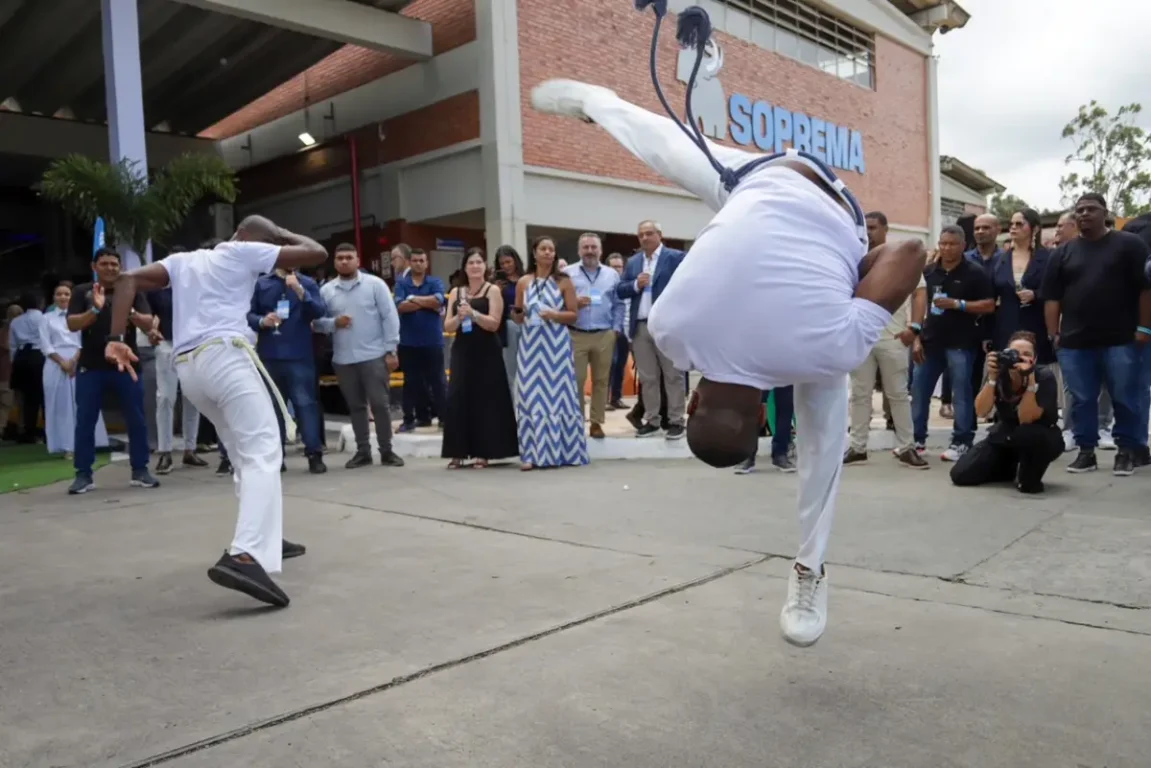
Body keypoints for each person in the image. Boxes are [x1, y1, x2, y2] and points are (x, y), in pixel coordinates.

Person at [530, 7, 924, 647]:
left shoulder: (827, 348)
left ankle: (811, 568)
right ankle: (601, 103)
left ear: (764, 417)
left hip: (814, 195)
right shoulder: (673, 333)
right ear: (695, 407)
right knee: (668, 143)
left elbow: (907, 252)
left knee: (823, 422)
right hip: (755, 177)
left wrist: (854, 276)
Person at [102, 217, 327, 608]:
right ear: (247, 238)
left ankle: (265, 537)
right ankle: (245, 554)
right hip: (226, 358)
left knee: (243, 456)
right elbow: (317, 253)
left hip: (190, 369)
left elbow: (126, 280)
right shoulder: (244, 251)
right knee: (262, 451)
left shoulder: (185, 261)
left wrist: (115, 339)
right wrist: (280, 233)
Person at [1042, 193, 1151, 476]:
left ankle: (1126, 450)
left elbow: (1145, 289)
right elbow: (1052, 297)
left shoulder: (1130, 245)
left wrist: (1143, 328)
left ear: (1106, 213)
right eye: (1079, 210)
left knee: (1125, 396)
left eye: (1091, 209)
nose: (1084, 214)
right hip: (1075, 341)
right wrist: (1053, 333)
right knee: (1081, 399)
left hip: (1122, 338)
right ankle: (1086, 452)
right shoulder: (1062, 253)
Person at [66, 249, 160, 494]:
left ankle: (140, 470)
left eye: (114, 264)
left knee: (136, 419)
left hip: (126, 365)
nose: (110, 268)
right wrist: (94, 310)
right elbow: (71, 324)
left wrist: (129, 311)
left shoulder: (130, 288)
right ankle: (83, 475)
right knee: (85, 421)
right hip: (91, 366)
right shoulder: (82, 291)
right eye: (105, 264)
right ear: (94, 266)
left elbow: (149, 322)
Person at [314, 243, 406, 469]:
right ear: (335, 262)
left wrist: (391, 349)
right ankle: (363, 451)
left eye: (349, 257)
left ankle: (387, 451)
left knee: (380, 405)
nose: (344, 261)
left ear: (358, 260)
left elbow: (390, 317)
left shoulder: (375, 285)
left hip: (374, 355)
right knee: (356, 407)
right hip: (343, 359)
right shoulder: (326, 291)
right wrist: (334, 323)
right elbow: (316, 323)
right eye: (340, 258)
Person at [910, 225, 996, 462]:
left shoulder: (975, 272)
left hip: (961, 343)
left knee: (961, 394)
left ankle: (962, 442)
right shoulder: (928, 272)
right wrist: (915, 338)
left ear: (963, 246)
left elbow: (989, 304)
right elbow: (915, 308)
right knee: (919, 392)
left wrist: (959, 304)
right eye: (943, 243)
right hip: (929, 342)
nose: (946, 248)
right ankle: (916, 441)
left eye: (952, 244)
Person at [512, 235, 589, 471]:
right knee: (529, 397)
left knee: (557, 398)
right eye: (543, 249)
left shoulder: (564, 281)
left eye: (551, 249)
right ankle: (531, 453)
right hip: (531, 345)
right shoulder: (523, 282)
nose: (547, 253)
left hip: (555, 345)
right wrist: (520, 312)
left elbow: (573, 315)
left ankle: (561, 451)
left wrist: (554, 314)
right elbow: (516, 317)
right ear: (534, 253)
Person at [950, 331, 1063, 493]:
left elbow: (1026, 418)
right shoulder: (999, 372)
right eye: (1014, 353)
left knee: (1028, 486)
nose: (1019, 358)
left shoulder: (1043, 376)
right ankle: (1008, 467)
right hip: (1006, 434)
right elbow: (981, 411)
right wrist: (992, 379)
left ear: (1035, 359)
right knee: (960, 475)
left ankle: (1028, 471)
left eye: (1026, 354)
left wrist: (1029, 379)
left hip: (1040, 436)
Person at [441, 248, 519, 467]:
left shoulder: (492, 290)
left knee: (485, 399)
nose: (475, 266)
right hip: (463, 348)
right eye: (471, 263)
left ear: (485, 266)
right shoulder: (457, 292)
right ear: (465, 267)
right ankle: (457, 451)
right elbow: (447, 325)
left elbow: (495, 323)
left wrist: (474, 315)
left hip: (486, 349)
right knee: (458, 397)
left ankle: (484, 451)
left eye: (479, 262)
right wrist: (459, 316)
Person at [39, 282, 110, 456]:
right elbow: (45, 344)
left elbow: (83, 340)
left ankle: (90, 442)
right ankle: (65, 445)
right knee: (60, 406)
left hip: (78, 359)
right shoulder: (46, 318)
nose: (63, 297)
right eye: (59, 294)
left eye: (66, 294)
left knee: (83, 402)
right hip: (55, 362)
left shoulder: (79, 316)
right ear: (54, 298)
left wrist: (74, 360)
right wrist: (62, 362)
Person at [9, 292, 45, 443]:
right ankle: (50, 431)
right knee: (46, 397)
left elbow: (12, 345)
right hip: (40, 356)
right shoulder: (44, 319)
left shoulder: (16, 322)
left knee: (28, 398)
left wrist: (14, 363)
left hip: (22, 357)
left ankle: (29, 431)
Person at [495, 245, 526, 393]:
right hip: (508, 325)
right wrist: (496, 291)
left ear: (515, 260)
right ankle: (513, 408)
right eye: (502, 264)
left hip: (528, 323)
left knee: (528, 367)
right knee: (510, 368)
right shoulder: (496, 284)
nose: (506, 266)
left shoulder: (526, 278)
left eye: (508, 262)